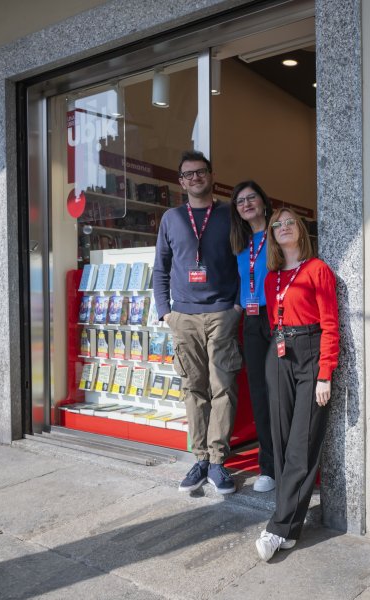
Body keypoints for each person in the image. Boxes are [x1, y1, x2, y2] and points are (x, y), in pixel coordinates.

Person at [153, 149, 242, 495]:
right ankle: (200, 458)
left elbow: (243, 262)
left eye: (200, 172)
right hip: (184, 316)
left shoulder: (229, 215)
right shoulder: (171, 219)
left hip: (222, 313)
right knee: (194, 389)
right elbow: (160, 268)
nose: (195, 178)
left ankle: (218, 461)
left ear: (211, 175)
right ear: (181, 182)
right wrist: (165, 312)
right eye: (188, 174)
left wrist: (236, 306)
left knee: (223, 388)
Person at [255, 208, 340, 561]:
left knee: (301, 445)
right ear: (272, 234)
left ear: (300, 230)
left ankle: (278, 528)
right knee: (281, 439)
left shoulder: (317, 270)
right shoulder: (272, 277)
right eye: (277, 224)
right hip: (278, 354)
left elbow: (331, 325)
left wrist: (325, 373)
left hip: (308, 353)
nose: (283, 227)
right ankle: (289, 527)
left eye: (290, 222)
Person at [229, 180, 276, 494]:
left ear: (263, 201)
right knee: (260, 393)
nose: (246, 204)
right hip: (251, 320)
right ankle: (268, 467)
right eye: (240, 201)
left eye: (251, 198)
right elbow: (239, 284)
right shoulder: (240, 242)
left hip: (279, 318)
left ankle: (290, 461)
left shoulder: (278, 232)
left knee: (281, 390)